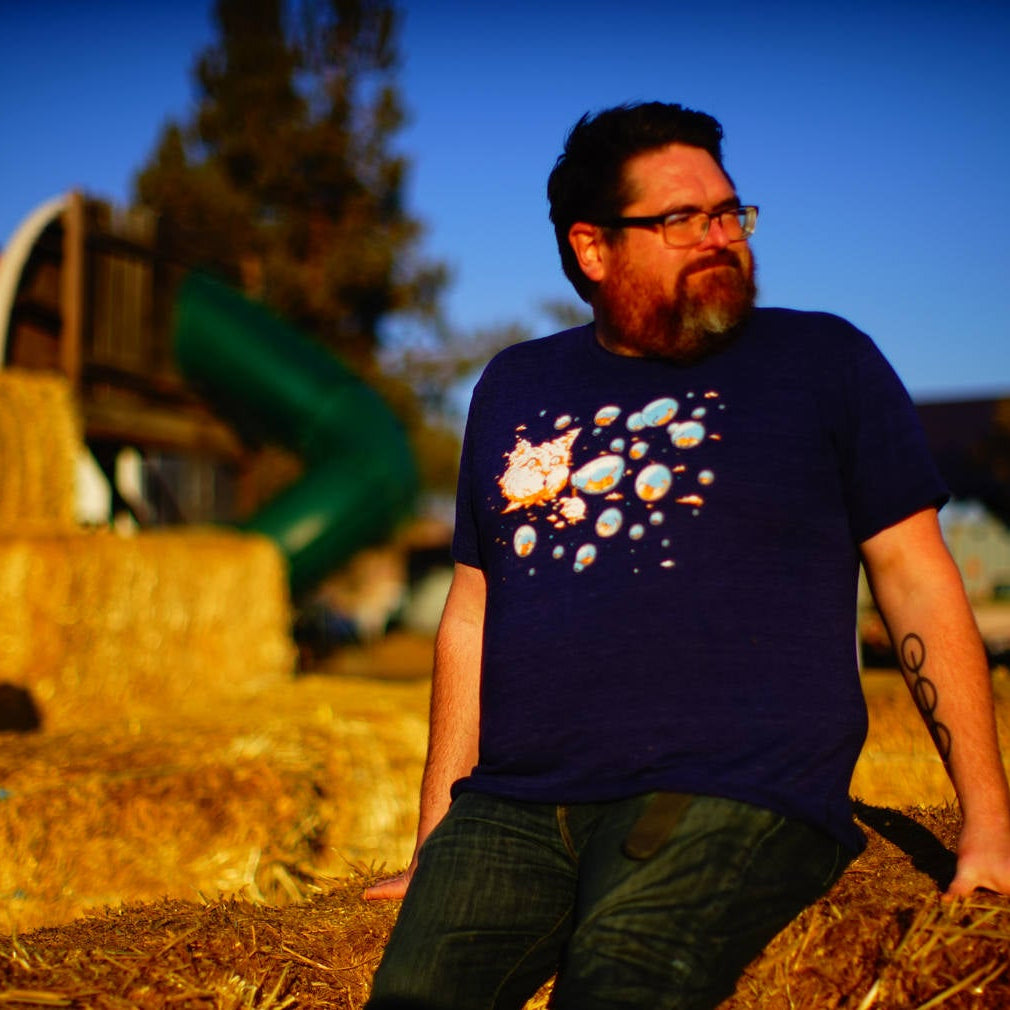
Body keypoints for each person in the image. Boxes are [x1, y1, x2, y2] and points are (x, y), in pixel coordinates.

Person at [363, 102, 1010, 1009]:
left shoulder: (825, 361)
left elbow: (914, 576)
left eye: (728, 213)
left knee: (619, 982)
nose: (719, 237)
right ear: (592, 249)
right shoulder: (516, 383)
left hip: (731, 792)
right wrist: (435, 845)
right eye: (681, 220)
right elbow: (472, 614)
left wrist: (991, 823)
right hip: (516, 808)